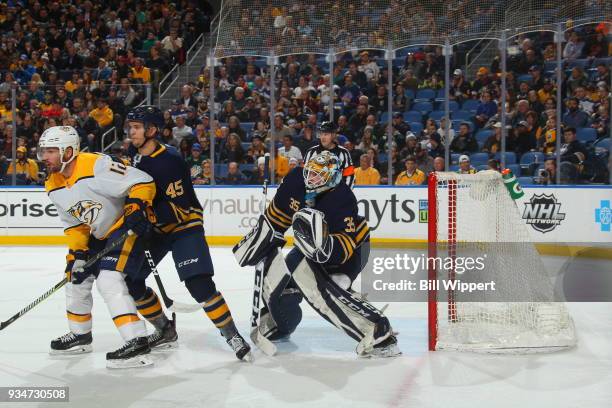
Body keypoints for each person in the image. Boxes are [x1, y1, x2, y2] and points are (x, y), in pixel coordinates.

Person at [233, 151, 400, 357]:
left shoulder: (342, 197)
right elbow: (276, 218)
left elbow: (346, 247)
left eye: (318, 175)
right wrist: (261, 239)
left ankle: (378, 332)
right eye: (310, 172)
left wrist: (324, 251)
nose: (310, 179)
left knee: (326, 288)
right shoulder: (296, 179)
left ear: (331, 176)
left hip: (352, 251)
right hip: (311, 250)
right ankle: (279, 321)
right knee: (281, 273)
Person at [126, 106, 252, 361]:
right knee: (131, 280)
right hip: (157, 229)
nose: (131, 132)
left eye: (137, 128)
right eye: (131, 127)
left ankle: (232, 334)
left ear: (151, 130)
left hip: (184, 226)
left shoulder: (170, 161)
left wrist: (148, 220)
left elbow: (180, 208)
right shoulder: (134, 154)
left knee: (200, 285)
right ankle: (164, 330)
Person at [38, 125, 155, 369]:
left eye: (50, 151)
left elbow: (143, 181)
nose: (44, 157)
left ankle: (137, 342)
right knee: (74, 277)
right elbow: (73, 224)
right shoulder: (52, 183)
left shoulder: (95, 165)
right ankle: (80, 334)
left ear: (68, 151)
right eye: (43, 152)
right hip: (99, 234)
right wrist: (78, 253)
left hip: (127, 227)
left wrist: (136, 206)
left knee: (109, 280)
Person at [304, 121, 355, 188]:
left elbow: (349, 175)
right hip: (315, 193)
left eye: (326, 134)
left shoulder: (343, 153)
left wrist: (345, 194)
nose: (323, 137)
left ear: (334, 135)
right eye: (321, 134)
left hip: (337, 193)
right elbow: (304, 174)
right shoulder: (311, 152)